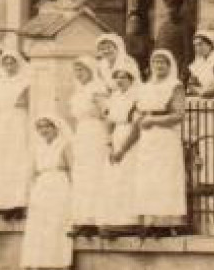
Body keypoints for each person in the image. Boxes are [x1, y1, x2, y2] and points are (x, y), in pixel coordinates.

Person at [134, 49, 188, 234]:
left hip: (165, 136)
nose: (158, 66)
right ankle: (151, 221)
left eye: (162, 62)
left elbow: (179, 115)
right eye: (155, 62)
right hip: (148, 138)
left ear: (169, 65)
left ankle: (166, 222)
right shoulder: (145, 86)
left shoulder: (175, 85)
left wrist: (154, 120)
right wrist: (140, 119)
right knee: (149, 178)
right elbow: (139, 110)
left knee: (164, 177)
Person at [20, 115, 74, 270]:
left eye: (47, 126)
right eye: (40, 127)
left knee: (56, 229)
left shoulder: (64, 144)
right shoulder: (37, 147)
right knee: (39, 232)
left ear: (56, 127)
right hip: (41, 190)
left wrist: (74, 193)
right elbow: (33, 172)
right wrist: (30, 195)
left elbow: (73, 169)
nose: (44, 130)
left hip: (59, 187)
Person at [0, 47, 31, 220]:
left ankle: (19, 203)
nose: (9, 66)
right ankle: (4, 203)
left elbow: (26, 103)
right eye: (6, 63)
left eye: (13, 62)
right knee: (3, 162)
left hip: (19, 124)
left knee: (18, 161)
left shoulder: (25, 83)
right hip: (2, 125)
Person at [96, 67, 142, 233]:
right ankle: (114, 220)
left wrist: (122, 149)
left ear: (132, 79)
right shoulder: (115, 96)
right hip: (116, 137)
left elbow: (138, 126)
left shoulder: (138, 97)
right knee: (114, 179)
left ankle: (130, 221)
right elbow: (109, 122)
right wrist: (110, 144)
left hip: (131, 140)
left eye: (124, 77)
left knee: (128, 178)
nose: (120, 80)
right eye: (117, 77)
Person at [65, 58, 106, 238]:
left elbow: (105, 113)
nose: (79, 74)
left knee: (94, 174)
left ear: (91, 71)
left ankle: (94, 220)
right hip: (81, 133)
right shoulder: (78, 91)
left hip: (95, 133)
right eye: (77, 71)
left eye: (82, 70)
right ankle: (82, 219)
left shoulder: (97, 89)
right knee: (81, 175)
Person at [153, 0, 191, 76]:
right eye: (168, 8)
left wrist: (185, 69)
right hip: (162, 66)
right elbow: (157, 47)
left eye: (173, 8)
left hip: (178, 67)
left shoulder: (186, 27)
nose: (170, 11)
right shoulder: (163, 27)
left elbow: (189, 51)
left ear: (179, 10)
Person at [123, 11, 152, 76]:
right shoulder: (123, 40)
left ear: (140, 24)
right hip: (125, 72)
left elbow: (151, 57)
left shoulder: (147, 40)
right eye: (131, 22)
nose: (134, 24)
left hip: (141, 72)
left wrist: (148, 69)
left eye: (136, 22)